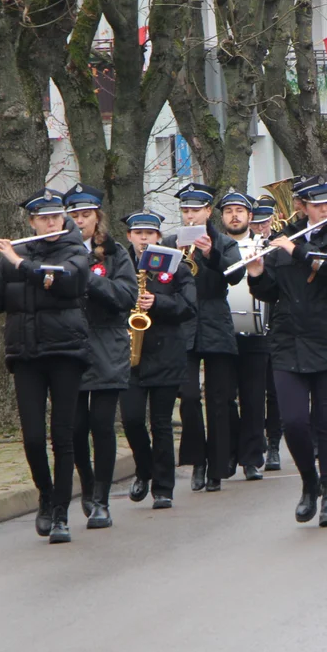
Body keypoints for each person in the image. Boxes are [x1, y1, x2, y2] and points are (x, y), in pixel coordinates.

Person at [0, 189, 90, 543]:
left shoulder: (75, 250)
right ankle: (46, 496)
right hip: (26, 356)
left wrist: (20, 263)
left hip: (66, 354)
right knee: (33, 438)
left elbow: (67, 283)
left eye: (56, 217)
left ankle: (63, 514)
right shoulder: (13, 255)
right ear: (31, 221)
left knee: (62, 438)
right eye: (43, 218)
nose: (51, 223)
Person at [246, 177, 327, 525]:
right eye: (319, 205)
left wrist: (298, 252)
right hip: (289, 341)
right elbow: (271, 293)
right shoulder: (282, 239)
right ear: (302, 207)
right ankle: (309, 484)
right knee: (294, 422)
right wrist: (255, 275)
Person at [65, 184, 138, 529]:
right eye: (74, 215)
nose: (80, 221)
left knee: (101, 425)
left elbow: (125, 295)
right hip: (71, 347)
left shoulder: (114, 253)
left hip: (107, 344)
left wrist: (90, 279)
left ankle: (103, 499)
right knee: (76, 428)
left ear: (98, 217)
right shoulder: (59, 250)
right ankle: (88, 486)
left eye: (86, 215)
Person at [164, 183, 245, 493]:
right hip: (182, 324)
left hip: (214, 320)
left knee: (220, 398)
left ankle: (217, 464)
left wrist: (211, 253)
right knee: (189, 396)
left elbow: (236, 275)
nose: (189, 216)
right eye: (185, 211)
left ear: (208, 211)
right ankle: (197, 459)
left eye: (195, 210)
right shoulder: (172, 241)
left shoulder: (223, 241)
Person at [120, 211, 196, 511]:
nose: (143, 238)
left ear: (158, 237)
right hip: (129, 354)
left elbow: (190, 306)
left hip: (166, 351)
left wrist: (159, 302)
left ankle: (164, 488)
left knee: (161, 424)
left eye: (149, 234)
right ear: (129, 236)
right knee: (132, 420)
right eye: (137, 233)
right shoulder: (119, 262)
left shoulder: (175, 265)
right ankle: (144, 469)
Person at [218, 190, 270, 482]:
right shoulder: (215, 246)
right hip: (222, 333)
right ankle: (228, 453)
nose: (234, 216)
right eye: (228, 211)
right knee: (224, 397)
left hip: (255, 332)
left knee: (252, 398)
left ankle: (252, 457)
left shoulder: (262, 245)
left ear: (250, 217)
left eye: (240, 211)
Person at [248, 196, 285, 470]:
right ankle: (256, 439)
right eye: (256, 222)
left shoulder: (281, 245)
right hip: (250, 323)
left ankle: (274, 443)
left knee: (274, 390)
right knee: (253, 389)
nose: (260, 227)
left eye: (264, 221)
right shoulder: (245, 246)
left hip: (276, 323)